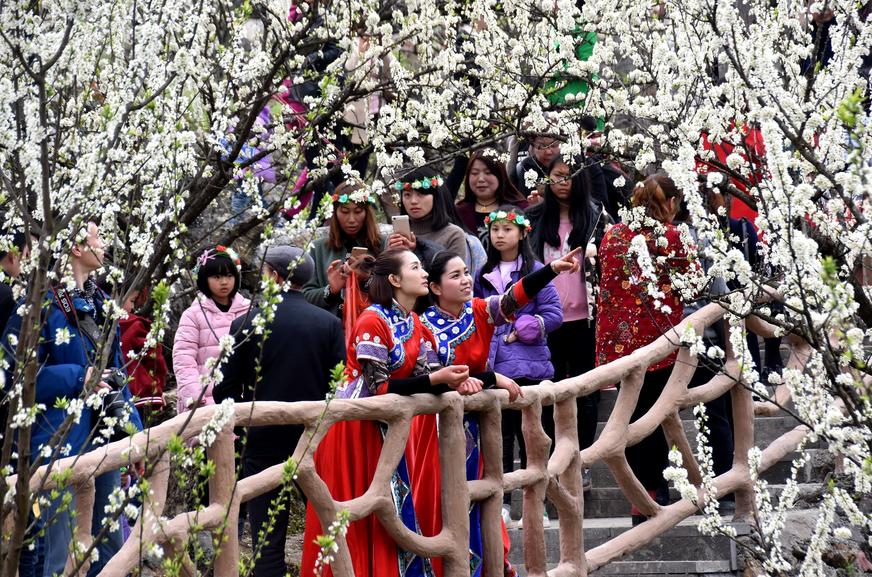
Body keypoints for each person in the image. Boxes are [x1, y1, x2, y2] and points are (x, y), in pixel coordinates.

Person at [300, 248, 480, 577]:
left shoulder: (413, 322)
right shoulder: (372, 320)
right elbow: (379, 386)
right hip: (355, 429)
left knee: (390, 509)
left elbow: (428, 376)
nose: (424, 273)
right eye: (416, 267)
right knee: (366, 511)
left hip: (387, 426)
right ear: (395, 279)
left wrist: (467, 382)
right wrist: (437, 380)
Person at [2, 221, 143, 576]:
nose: (105, 243)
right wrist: (79, 377)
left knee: (108, 545)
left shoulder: (101, 302)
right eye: (98, 237)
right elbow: (14, 379)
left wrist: (134, 434)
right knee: (59, 553)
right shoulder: (38, 305)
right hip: (57, 443)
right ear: (77, 248)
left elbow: (117, 373)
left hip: (103, 437)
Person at [214, 246, 345, 577]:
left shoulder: (246, 323)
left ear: (273, 275)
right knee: (329, 522)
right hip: (315, 438)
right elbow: (340, 385)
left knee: (266, 538)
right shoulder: (329, 324)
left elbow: (223, 389)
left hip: (262, 438)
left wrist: (243, 428)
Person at [595, 175, 695, 525]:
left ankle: (639, 495)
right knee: (655, 415)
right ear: (671, 202)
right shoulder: (673, 236)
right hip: (658, 342)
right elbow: (694, 284)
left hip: (620, 344)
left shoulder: (612, 234)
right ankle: (652, 490)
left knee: (631, 416)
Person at [470, 207, 563, 525]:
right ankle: (503, 504)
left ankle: (539, 505)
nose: (500, 235)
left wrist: (526, 326)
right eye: (495, 229)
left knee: (531, 437)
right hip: (494, 365)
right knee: (499, 438)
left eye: (507, 229)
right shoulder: (481, 273)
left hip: (528, 364)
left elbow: (554, 314)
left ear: (523, 233)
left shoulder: (535, 271)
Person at [527, 156, 607, 492]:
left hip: (585, 319)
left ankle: (581, 461)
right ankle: (550, 465)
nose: (563, 182)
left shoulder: (595, 216)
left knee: (585, 393)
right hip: (547, 320)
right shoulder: (534, 218)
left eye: (569, 176)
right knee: (549, 391)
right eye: (557, 176)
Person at [173, 245, 250, 413]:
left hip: (243, 399)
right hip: (205, 402)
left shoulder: (248, 311)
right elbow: (183, 358)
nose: (224, 282)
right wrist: (194, 396)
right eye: (217, 277)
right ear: (204, 279)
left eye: (229, 276)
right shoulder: (193, 315)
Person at [302, 180, 385, 317]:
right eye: (345, 211)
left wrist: (366, 279)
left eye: (358, 211)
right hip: (330, 324)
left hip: (372, 322)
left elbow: (395, 289)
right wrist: (331, 290)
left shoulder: (382, 244)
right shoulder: (318, 248)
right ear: (335, 212)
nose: (351, 219)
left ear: (367, 212)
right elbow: (305, 295)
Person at [390, 166, 471, 264]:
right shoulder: (395, 237)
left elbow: (455, 272)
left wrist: (415, 251)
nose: (413, 201)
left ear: (435, 196)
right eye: (407, 195)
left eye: (421, 194)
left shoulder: (453, 235)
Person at [119, 287, 168, 426]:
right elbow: (154, 358)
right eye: (132, 301)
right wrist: (158, 387)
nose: (133, 307)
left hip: (116, 396)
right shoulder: (135, 325)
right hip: (142, 393)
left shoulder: (96, 325)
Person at [456, 149, 528, 235]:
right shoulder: (458, 213)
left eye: (488, 172)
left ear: (500, 175)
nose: (481, 179)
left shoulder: (520, 208)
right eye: (475, 173)